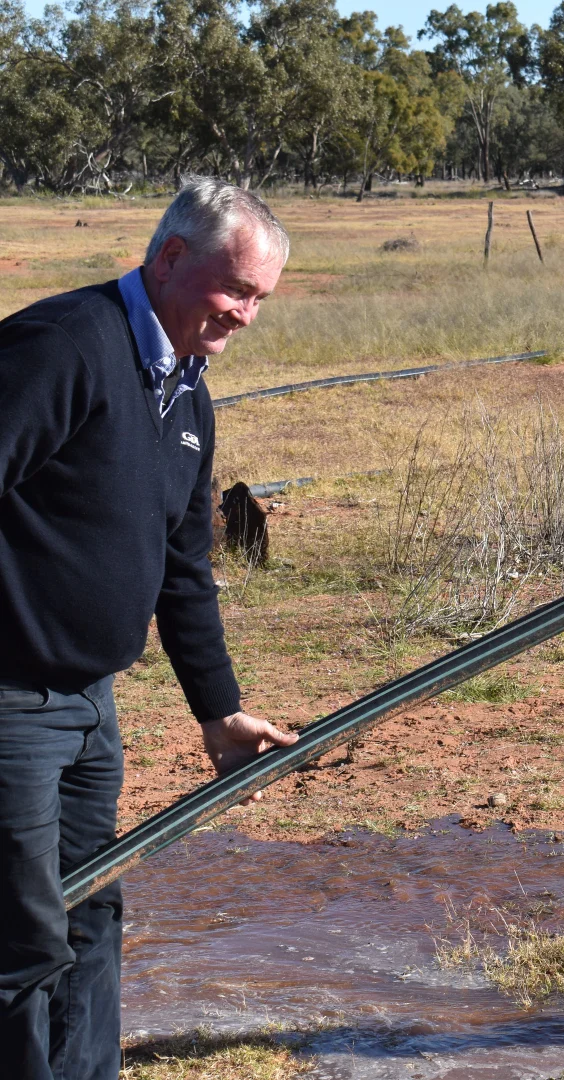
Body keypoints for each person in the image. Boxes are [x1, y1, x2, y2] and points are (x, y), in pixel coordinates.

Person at [0, 178, 301, 1079]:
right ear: (170, 258)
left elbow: (183, 569)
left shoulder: (186, 395)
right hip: (10, 708)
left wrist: (219, 709)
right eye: (235, 289)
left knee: (90, 917)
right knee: (18, 944)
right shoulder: (63, 348)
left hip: (91, 709)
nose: (246, 315)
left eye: (260, 300)